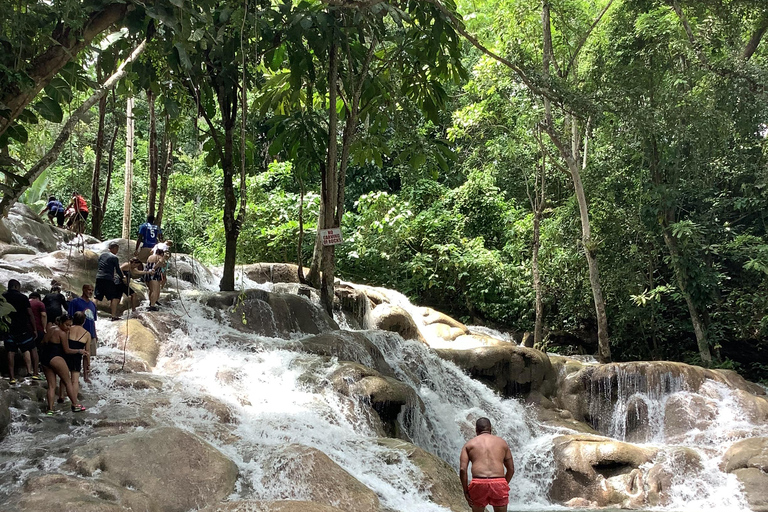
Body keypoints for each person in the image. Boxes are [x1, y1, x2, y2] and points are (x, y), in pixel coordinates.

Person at [459, 418, 515, 512]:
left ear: (476, 430)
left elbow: (462, 469)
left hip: (478, 483)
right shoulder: (502, 443)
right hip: (499, 482)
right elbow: (511, 469)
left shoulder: (469, 444)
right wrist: (503, 484)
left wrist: (465, 491)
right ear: (490, 429)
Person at [40, 314, 86, 414]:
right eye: (67, 325)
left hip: (45, 358)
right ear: (60, 322)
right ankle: (75, 405)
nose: (68, 328)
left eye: (70, 325)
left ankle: (50, 409)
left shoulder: (51, 328)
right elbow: (67, 350)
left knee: (51, 386)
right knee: (68, 381)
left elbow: (43, 342)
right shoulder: (62, 333)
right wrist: (79, 351)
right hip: (55, 357)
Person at [2, 280, 40, 383]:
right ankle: (35, 374)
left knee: (10, 352)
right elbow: (30, 313)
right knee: (32, 349)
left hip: (8, 329)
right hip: (23, 329)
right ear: (16, 287)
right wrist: (35, 329)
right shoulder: (23, 297)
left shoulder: (3, 296)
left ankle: (12, 377)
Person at [58, 311, 90, 404]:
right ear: (84, 321)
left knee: (64, 377)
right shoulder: (87, 334)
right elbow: (87, 352)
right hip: (77, 357)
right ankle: (74, 401)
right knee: (75, 381)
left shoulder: (68, 329)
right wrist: (88, 365)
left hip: (66, 355)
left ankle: (61, 396)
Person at [95, 242, 126, 321]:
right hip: (108, 278)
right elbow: (118, 269)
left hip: (99, 277)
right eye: (117, 249)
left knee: (97, 297)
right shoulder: (114, 257)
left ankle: (92, 314)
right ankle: (113, 315)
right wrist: (123, 277)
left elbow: (99, 264)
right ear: (114, 249)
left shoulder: (102, 255)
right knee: (113, 297)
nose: (117, 251)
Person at [68, 284, 97, 359]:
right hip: (77, 335)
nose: (91, 292)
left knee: (88, 357)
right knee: (75, 357)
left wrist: (95, 335)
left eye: (92, 291)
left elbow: (93, 321)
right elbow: (70, 318)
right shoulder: (75, 302)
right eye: (89, 290)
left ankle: (86, 370)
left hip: (91, 335)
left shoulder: (93, 305)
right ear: (83, 290)